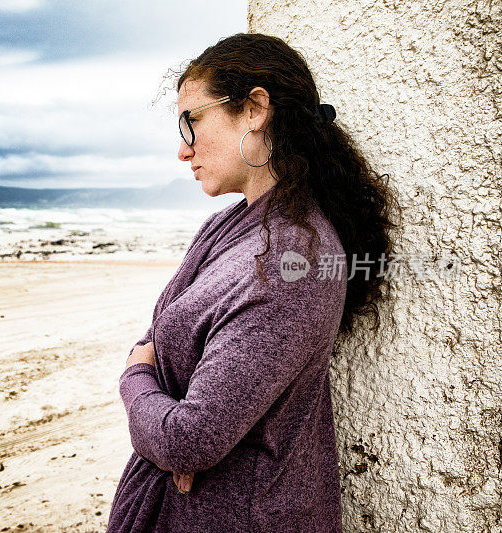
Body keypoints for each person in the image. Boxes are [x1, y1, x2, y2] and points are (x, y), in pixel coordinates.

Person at [106, 33, 399, 532]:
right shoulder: (231, 224)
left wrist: (135, 377)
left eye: (192, 121)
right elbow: (160, 333)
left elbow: (188, 440)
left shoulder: (291, 264)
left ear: (255, 110)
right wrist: (159, 393)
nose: (182, 149)